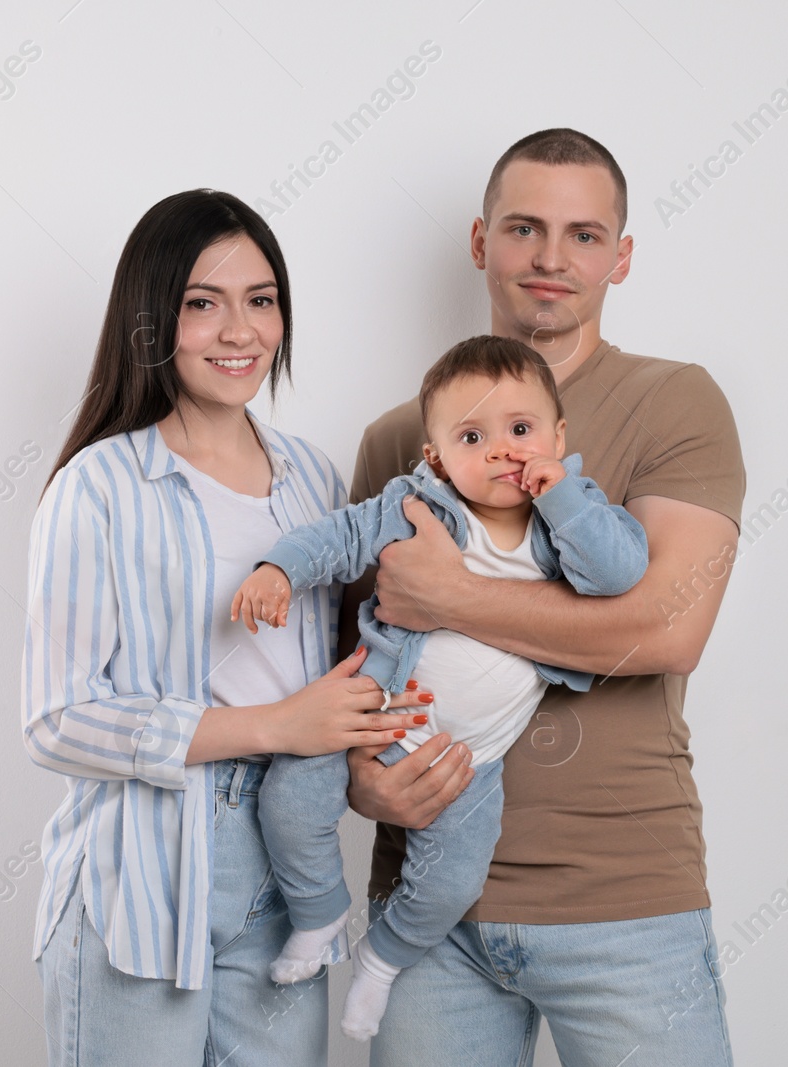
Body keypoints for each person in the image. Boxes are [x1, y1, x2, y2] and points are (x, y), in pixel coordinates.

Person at [343, 129, 747, 1066]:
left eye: (584, 234)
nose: (552, 258)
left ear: (623, 256)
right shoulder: (398, 438)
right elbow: (353, 670)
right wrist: (362, 786)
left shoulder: (676, 401)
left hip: (623, 900)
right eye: (525, 228)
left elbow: (667, 627)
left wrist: (450, 596)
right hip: (426, 911)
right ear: (481, 242)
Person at [20, 188, 432, 1067]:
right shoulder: (98, 487)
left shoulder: (313, 480)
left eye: (262, 299)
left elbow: (350, 661)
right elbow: (57, 718)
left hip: (287, 863)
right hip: (142, 866)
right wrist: (271, 727)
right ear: (152, 318)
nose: (239, 330)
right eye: (203, 303)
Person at [231, 334, 649, 1041]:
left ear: (557, 436)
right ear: (436, 458)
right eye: (472, 436)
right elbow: (337, 537)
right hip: (371, 712)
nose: (502, 451)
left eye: (521, 430)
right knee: (289, 798)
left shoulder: (569, 522)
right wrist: (278, 569)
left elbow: (618, 575)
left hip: (471, 759)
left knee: (453, 882)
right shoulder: (419, 508)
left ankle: (383, 959)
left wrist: (566, 497)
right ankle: (318, 912)